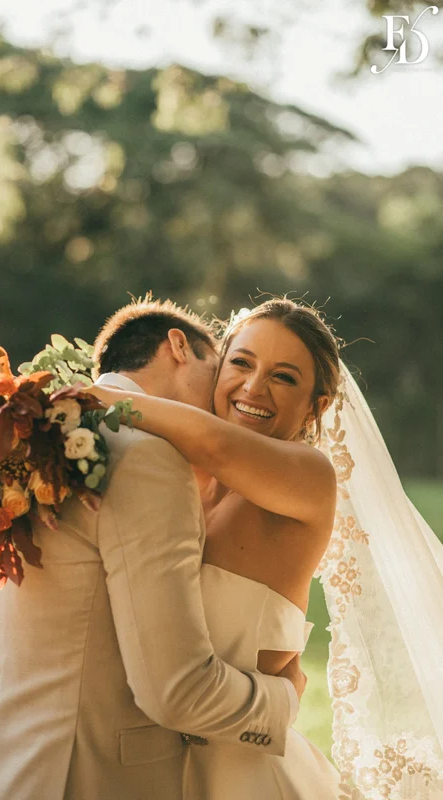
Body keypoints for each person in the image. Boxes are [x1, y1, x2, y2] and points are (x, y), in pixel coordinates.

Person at [0, 299, 306, 800]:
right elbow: (175, 692)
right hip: (85, 779)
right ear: (180, 346)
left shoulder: (0, 442)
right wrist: (281, 700)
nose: (230, 393)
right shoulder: (144, 458)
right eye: (222, 364)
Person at [89, 298, 343, 799]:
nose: (253, 388)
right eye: (242, 363)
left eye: (284, 377)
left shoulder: (311, 476)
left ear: (316, 406)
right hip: (146, 769)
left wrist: (97, 396)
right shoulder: (176, 476)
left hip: (244, 776)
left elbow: (218, 444)